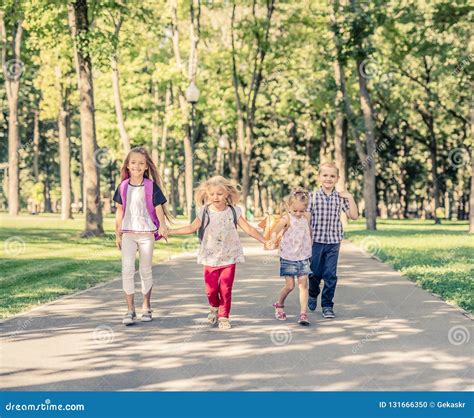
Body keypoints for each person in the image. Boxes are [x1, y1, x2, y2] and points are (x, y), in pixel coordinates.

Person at [169, 176, 266, 330]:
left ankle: (224, 317)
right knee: (211, 290)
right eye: (212, 194)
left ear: (227, 193)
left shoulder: (234, 211)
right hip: (210, 257)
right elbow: (191, 228)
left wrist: (264, 240)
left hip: (229, 256)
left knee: (226, 289)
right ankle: (214, 306)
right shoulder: (204, 212)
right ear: (207, 194)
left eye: (219, 194)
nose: (215, 197)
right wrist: (170, 232)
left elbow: (249, 229)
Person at [113, 146, 171, 325]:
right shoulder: (123, 186)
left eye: (140, 163)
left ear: (146, 166)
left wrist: (162, 225)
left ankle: (146, 306)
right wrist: (117, 233)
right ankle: (130, 310)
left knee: (145, 270)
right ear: (127, 165)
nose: (136, 166)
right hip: (129, 234)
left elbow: (158, 207)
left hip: (146, 234)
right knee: (127, 270)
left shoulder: (150, 186)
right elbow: (120, 211)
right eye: (133, 163)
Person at [307, 162, 358, 318]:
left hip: (333, 241)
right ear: (319, 177)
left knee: (330, 274)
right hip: (316, 241)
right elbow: (307, 219)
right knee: (314, 272)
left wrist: (350, 196)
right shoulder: (312, 196)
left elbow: (354, 216)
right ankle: (313, 293)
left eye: (332, 176)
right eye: (325, 175)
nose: (328, 178)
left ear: (337, 178)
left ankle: (327, 305)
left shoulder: (340, 198)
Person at [267, 189, 312, 326]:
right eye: (295, 211)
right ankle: (279, 304)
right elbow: (275, 230)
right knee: (290, 285)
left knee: (303, 284)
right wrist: (274, 237)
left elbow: (308, 230)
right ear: (289, 207)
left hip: (303, 255)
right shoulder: (287, 218)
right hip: (288, 255)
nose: (298, 214)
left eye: (301, 211)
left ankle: (303, 314)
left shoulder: (307, 217)